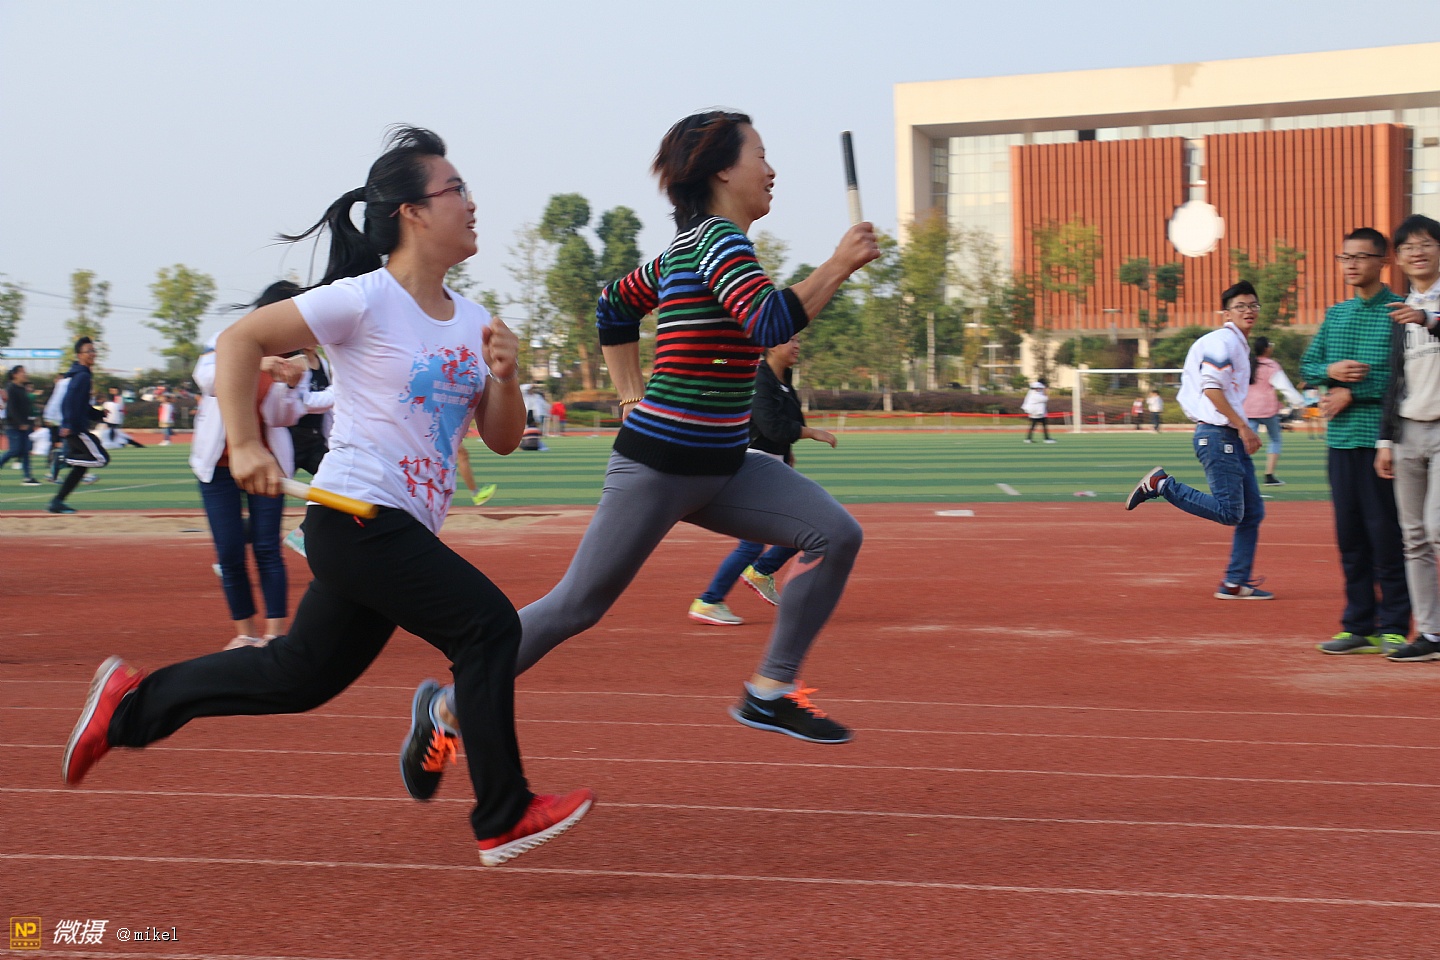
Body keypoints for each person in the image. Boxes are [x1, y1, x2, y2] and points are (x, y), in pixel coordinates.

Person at [61, 126, 592, 867]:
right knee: (488, 628)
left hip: (399, 528)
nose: (472, 204)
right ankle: (503, 812)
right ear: (412, 212)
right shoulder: (363, 300)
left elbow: (501, 440)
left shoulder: (476, 321)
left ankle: (129, 706)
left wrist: (505, 376)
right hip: (357, 515)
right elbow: (239, 341)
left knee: (300, 676)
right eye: (457, 190)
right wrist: (246, 444)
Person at [399, 110, 879, 804]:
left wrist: (630, 390)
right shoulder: (716, 244)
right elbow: (769, 323)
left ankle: (771, 689)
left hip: (723, 465)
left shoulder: (688, 250)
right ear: (722, 170)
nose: (772, 170)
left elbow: (613, 306)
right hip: (659, 466)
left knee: (835, 533)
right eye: (761, 155)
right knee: (574, 606)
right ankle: (445, 707)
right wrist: (839, 264)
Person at [1302, 227, 1410, 655]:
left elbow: (1403, 377)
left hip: (1382, 442)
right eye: (1344, 257)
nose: (1351, 265)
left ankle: (1395, 626)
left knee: (1386, 536)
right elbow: (1308, 366)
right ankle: (1358, 625)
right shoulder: (1336, 314)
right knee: (1350, 538)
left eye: (1361, 257)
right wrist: (1331, 372)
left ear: (1383, 261)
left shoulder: (1399, 313)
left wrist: (1353, 391)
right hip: (1341, 441)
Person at [1126, 281, 1271, 600]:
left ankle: (1234, 582)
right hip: (1218, 434)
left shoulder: (1238, 344)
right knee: (1231, 512)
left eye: (1253, 305)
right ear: (1226, 313)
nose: (1248, 311)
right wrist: (1244, 427)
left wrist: (1241, 428)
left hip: (1227, 434)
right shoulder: (1223, 341)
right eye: (1240, 306)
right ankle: (1161, 485)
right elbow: (1212, 388)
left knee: (1252, 512)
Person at [689, 335, 837, 625]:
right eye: (790, 339)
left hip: (772, 466)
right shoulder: (759, 378)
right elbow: (770, 426)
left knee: (812, 524)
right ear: (771, 345)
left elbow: (784, 423)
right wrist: (811, 433)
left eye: (798, 339)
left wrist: (787, 453)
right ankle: (709, 601)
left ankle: (757, 573)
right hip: (752, 467)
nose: (797, 345)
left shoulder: (782, 380)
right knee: (754, 543)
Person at [191, 304, 307, 650]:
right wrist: (256, 363)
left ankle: (275, 635)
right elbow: (207, 381)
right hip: (217, 466)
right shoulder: (225, 340)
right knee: (229, 551)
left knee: (267, 548)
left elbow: (284, 418)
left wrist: (289, 386)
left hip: (267, 466)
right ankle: (246, 633)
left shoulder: (293, 358)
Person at [1376, 214, 1440, 662]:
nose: (1417, 252)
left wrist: (1428, 318)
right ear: (1397, 258)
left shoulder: (1420, 310)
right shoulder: (1399, 311)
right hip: (1408, 431)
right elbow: (1393, 379)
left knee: (1437, 527)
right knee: (1413, 536)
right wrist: (1385, 441)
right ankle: (1431, 635)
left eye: (1426, 243)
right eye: (1408, 247)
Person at [48, 338, 107, 514]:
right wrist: (68, 424)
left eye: (94, 350)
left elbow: (81, 404)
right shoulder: (82, 376)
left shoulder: (81, 374)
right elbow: (69, 401)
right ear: (79, 355)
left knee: (81, 467)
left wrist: (98, 414)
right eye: (89, 351)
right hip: (76, 428)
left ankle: (57, 502)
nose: (93, 354)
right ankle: (62, 459)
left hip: (75, 426)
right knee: (101, 459)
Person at [1242, 336, 1305, 486]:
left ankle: (1240, 473)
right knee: (1275, 439)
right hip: (1267, 409)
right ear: (1266, 349)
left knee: (1246, 443)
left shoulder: (1247, 364)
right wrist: (1299, 402)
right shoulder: (1271, 366)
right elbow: (1285, 387)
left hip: (1248, 408)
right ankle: (1269, 475)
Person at [1, 365, 41, 485]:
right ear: (15, 375)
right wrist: (20, 423)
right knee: (15, 450)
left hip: (24, 425)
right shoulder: (11, 388)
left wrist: (29, 422)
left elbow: (26, 407)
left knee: (25, 451)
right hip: (13, 425)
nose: (25, 374)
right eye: (22, 372)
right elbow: (11, 409)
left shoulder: (22, 388)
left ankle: (28, 477)